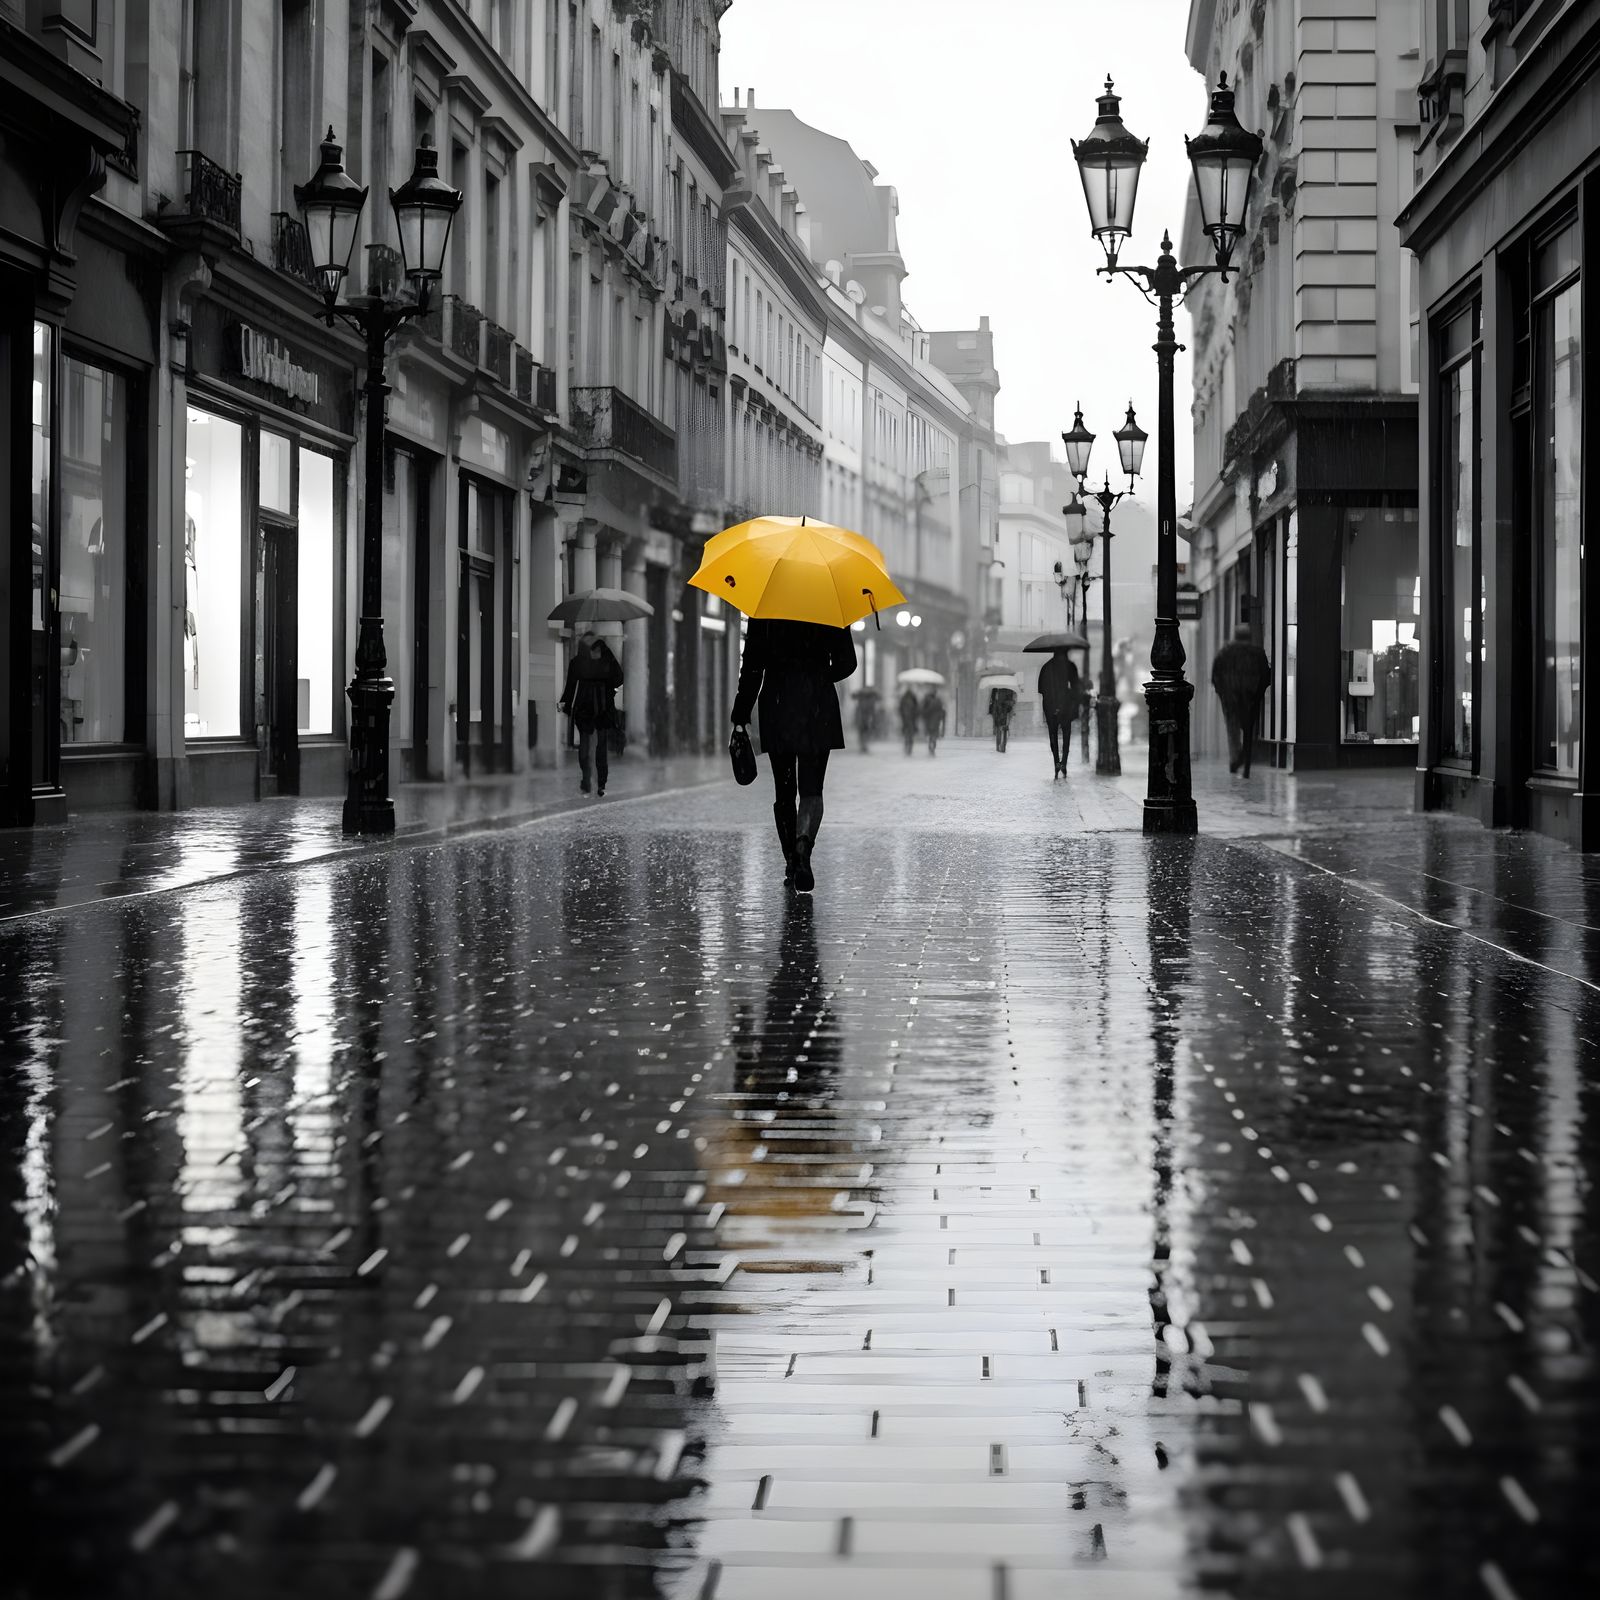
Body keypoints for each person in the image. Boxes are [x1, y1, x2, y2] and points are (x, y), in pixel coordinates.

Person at [733, 618, 857, 893]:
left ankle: (790, 860)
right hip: (817, 705)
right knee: (812, 789)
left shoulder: (764, 611)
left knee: (785, 791)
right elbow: (847, 663)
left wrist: (740, 715)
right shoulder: (827, 604)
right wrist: (819, 674)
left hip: (778, 705)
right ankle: (803, 847)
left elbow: (752, 665)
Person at [558, 632, 624, 796]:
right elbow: (619, 678)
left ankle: (586, 780)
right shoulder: (606, 657)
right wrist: (610, 688)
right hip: (603, 705)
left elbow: (571, 686)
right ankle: (601, 783)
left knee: (585, 744)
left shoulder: (577, 662)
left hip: (584, 705)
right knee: (601, 745)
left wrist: (565, 702)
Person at [1211, 623, 1273, 778]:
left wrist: (1223, 693)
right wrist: (1257, 694)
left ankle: (1236, 757)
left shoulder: (1224, 654)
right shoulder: (1257, 653)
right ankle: (1246, 764)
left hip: (1230, 698)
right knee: (1249, 730)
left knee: (1232, 729)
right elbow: (1266, 677)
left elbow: (1215, 676)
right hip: (1251, 698)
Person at [1037, 650, 1083, 777]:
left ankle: (1056, 762)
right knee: (1066, 734)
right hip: (1066, 706)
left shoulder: (1046, 667)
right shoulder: (1070, 666)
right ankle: (1064, 763)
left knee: (1053, 734)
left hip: (1050, 706)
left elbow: (1041, 690)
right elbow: (1076, 689)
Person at [988, 684, 1017, 752]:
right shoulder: (998, 690)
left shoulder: (999, 690)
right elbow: (992, 701)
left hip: (1003, 712)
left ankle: (1001, 747)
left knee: (1002, 729)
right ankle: (1000, 747)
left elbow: (992, 702)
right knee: (1001, 729)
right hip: (1000, 711)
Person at [920, 686, 946, 755]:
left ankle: (931, 746)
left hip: (930, 721)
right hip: (935, 721)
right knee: (933, 734)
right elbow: (942, 710)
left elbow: (923, 710)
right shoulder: (938, 700)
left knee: (931, 734)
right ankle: (932, 746)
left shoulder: (928, 699)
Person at [898, 686, 921, 755]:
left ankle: (907, 746)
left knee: (907, 734)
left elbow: (900, 709)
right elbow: (917, 709)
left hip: (907, 720)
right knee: (910, 734)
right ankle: (909, 746)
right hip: (910, 720)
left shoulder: (904, 698)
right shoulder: (913, 699)